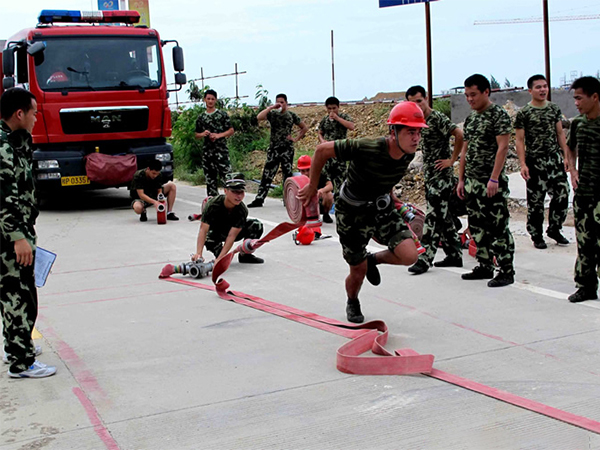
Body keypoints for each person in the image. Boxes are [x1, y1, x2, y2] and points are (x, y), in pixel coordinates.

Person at [298, 102, 427, 323]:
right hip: (351, 213)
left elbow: (387, 174)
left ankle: (373, 260)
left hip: (381, 208)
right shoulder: (367, 146)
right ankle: (352, 301)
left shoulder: (407, 154)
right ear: (393, 132)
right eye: (410, 132)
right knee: (357, 272)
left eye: (418, 132)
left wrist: (392, 196)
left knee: (410, 255)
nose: (416, 138)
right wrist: (311, 186)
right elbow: (321, 150)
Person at [0, 88, 56, 378]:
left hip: (20, 231)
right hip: (10, 237)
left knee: (18, 294)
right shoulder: (2, 148)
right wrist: (18, 238)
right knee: (19, 297)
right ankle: (21, 364)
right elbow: (3, 199)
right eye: (34, 112)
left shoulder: (14, 142)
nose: (37, 117)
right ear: (19, 114)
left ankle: (18, 348)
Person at [457, 74, 515, 288]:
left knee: (498, 227)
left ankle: (506, 270)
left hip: (490, 183)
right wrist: (461, 180)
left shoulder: (497, 115)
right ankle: (484, 265)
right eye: (466, 95)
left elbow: (503, 148)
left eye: (473, 94)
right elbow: (465, 151)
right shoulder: (471, 119)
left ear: (486, 92)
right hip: (472, 183)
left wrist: (494, 178)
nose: (469, 99)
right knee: (477, 226)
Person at [405, 85, 465, 275]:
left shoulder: (437, 118)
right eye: (412, 102)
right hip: (431, 176)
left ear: (426, 99)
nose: (417, 105)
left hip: (442, 178)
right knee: (444, 218)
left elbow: (459, 134)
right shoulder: (418, 122)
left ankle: (424, 258)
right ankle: (454, 255)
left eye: (419, 101)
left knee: (432, 218)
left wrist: (452, 160)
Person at [515, 74, 570, 249]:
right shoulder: (524, 113)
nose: (542, 90)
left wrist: (566, 156)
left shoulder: (553, 109)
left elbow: (560, 133)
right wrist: (523, 164)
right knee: (536, 202)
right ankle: (536, 234)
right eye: (538, 87)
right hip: (535, 161)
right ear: (530, 90)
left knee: (562, 194)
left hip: (554, 159)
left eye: (545, 86)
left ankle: (555, 228)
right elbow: (519, 140)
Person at [565, 76, 600, 303]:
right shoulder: (578, 123)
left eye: (579, 98)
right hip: (584, 193)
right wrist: (573, 171)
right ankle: (586, 286)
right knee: (585, 242)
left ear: (595, 97)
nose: (576, 103)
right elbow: (569, 147)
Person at [248, 94, 308, 207]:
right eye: (278, 102)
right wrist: (270, 108)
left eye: (282, 102)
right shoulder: (273, 114)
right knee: (267, 174)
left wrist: (295, 139)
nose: (280, 104)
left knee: (287, 175)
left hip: (287, 149)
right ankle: (260, 198)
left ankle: (288, 200)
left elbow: (304, 128)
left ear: (286, 102)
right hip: (274, 149)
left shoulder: (291, 115)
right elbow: (259, 117)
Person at [193, 173, 265, 264]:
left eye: (241, 192)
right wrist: (199, 254)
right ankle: (219, 254)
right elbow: (203, 230)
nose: (238, 196)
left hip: (232, 231)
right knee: (210, 239)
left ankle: (245, 255)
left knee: (256, 225)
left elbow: (232, 236)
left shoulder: (242, 210)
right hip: (216, 233)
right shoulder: (212, 205)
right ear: (226, 191)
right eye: (234, 192)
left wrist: (220, 258)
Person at [195, 89, 235, 197]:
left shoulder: (222, 115)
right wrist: (203, 134)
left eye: (212, 99)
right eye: (208, 99)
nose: (210, 101)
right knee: (210, 180)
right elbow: (196, 134)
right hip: (208, 153)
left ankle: (231, 199)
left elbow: (231, 130)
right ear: (204, 100)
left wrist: (218, 135)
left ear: (215, 100)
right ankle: (213, 203)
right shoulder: (201, 117)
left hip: (221, 151)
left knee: (227, 178)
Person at [317, 96, 355, 195]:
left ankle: (340, 200)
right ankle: (329, 200)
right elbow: (320, 132)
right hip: (327, 155)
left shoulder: (343, 117)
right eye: (329, 109)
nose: (332, 111)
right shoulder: (325, 120)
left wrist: (337, 118)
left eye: (334, 108)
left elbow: (351, 126)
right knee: (327, 178)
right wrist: (322, 141)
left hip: (339, 153)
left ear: (338, 107)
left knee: (341, 179)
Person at [297, 154, 334, 223]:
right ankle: (304, 216)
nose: (306, 173)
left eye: (308, 170)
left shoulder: (320, 173)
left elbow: (330, 185)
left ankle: (326, 214)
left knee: (329, 195)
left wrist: (321, 191)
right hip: (305, 204)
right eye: (303, 171)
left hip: (318, 201)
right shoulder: (297, 179)